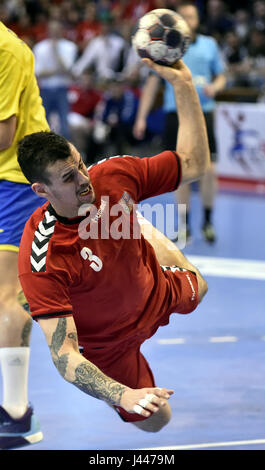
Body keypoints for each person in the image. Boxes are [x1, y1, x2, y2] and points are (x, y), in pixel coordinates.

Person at [17, 57, 209, 433]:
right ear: (41, 190)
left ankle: (142, 228)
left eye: (82, 165)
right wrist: (122, 394)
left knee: (199, 286)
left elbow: (194, 162)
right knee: (156, 421)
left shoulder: (112, 175)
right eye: (69, 178)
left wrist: (184, 84)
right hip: (109, 345)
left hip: (152, 291)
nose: (85, 181)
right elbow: (64, 355)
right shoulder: (42, 255)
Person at [133, 1, 226, 243]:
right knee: (181, 171)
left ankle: (207, 221)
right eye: (182, 17)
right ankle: (184, 224)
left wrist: (215, 87)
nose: (187, 21)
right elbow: (152, 85)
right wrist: (141, 117)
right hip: (175, 115)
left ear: (197, 21)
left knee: (209, 170)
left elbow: (222, 76)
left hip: (204, 112)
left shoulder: (209, 45)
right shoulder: (165, 48)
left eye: (191, 17)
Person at [0, 21, 49, 449]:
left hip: (15, 182)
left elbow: (3, 135)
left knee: (8, 294)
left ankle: (15, 413)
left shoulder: (8, 51)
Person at [33, 19, 78, 139]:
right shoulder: (40, 47)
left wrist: (55, 51)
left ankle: (68, 154)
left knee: (64, 124)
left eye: (57, 30)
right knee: (43, 124)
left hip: (62, 88)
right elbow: (38, 73)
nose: (54, 33)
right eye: (52, 30)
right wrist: (57, 71)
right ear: (48, 31)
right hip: (46, 89)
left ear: (61, 31)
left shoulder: (70, 47)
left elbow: (68, 70)